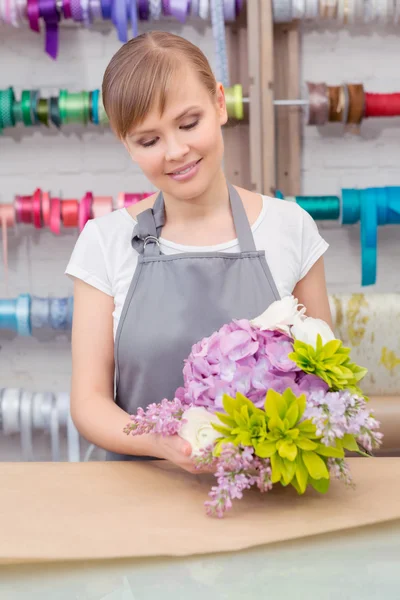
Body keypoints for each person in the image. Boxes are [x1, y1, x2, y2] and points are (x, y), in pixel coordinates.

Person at [65, 31, 332, 471]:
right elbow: (89, 403)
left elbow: (325, 376)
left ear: (221, 104)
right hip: (137, 493)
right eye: (148, 141)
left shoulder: (291, 228)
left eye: (189, 123)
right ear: (126, 145)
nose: (176, 151)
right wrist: (161, 442)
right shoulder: (104, 241)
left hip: (269, 489)